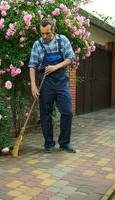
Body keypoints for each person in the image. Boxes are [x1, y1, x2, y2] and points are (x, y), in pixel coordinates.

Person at [28, 18, 76, 153]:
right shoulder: (37, 45)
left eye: (47, 33)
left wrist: (56, 67)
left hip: (61, 81)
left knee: (67, 112)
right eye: (42, 33)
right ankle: (49, 143)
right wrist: (33, 85)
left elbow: (70, 58)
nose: (44, 36)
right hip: (46, 82)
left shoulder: (62, 40)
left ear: (53, 30)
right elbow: (32, 65)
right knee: (45, 113)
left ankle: (64, 143)